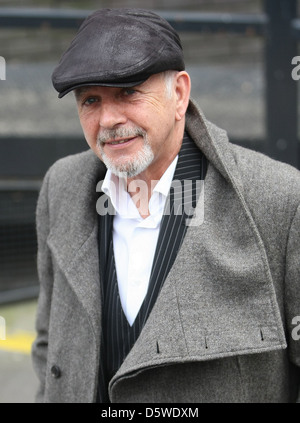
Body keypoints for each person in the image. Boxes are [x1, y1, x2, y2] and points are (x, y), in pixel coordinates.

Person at [32, 8, 300, 403]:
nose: (108, 119)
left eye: (128, 92)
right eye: (90, 100)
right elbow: (49, 344)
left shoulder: (279, 198)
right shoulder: (62, 186)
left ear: (179, 94)